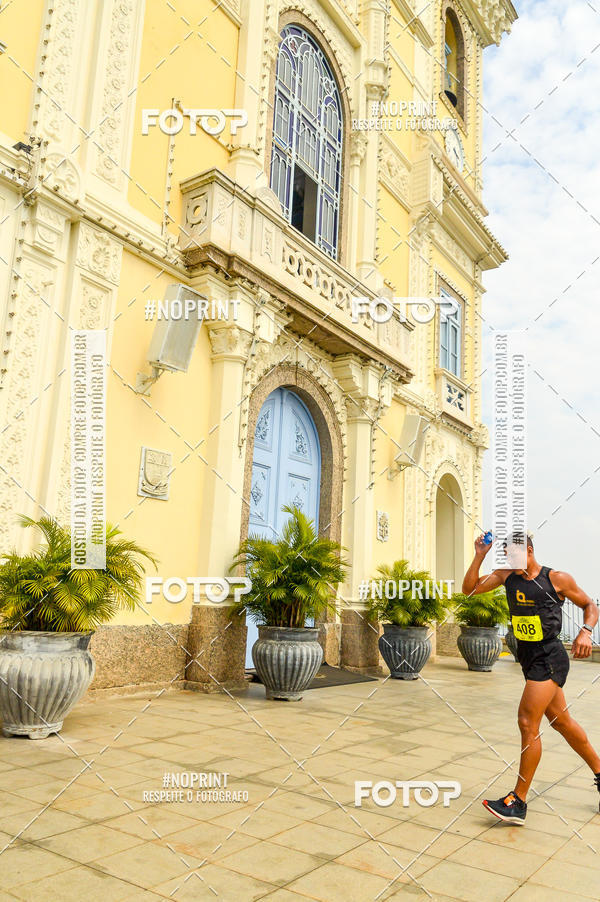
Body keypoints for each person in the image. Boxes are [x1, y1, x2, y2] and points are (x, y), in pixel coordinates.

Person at [462, 532, 600, 825]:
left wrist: (586, 631)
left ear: (529, 551)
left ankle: (518, 801)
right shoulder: (506, 576)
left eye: (514, 554)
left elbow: (590, 606)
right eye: (507, 555)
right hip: (528, 658)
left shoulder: (557, 579)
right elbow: (469, 590)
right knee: (562, 722)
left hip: (550, 658)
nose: (510, 560)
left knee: (527, 722)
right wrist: (479, 555)